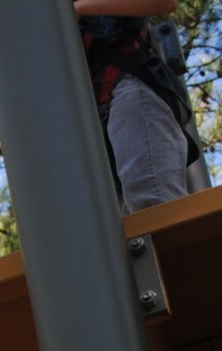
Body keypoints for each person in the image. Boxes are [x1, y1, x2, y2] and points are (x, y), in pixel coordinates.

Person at [76, 0, 201, 212]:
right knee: (122, 226)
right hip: (96, 116)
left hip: (130, 86)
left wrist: (78, 10)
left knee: (154, 205)